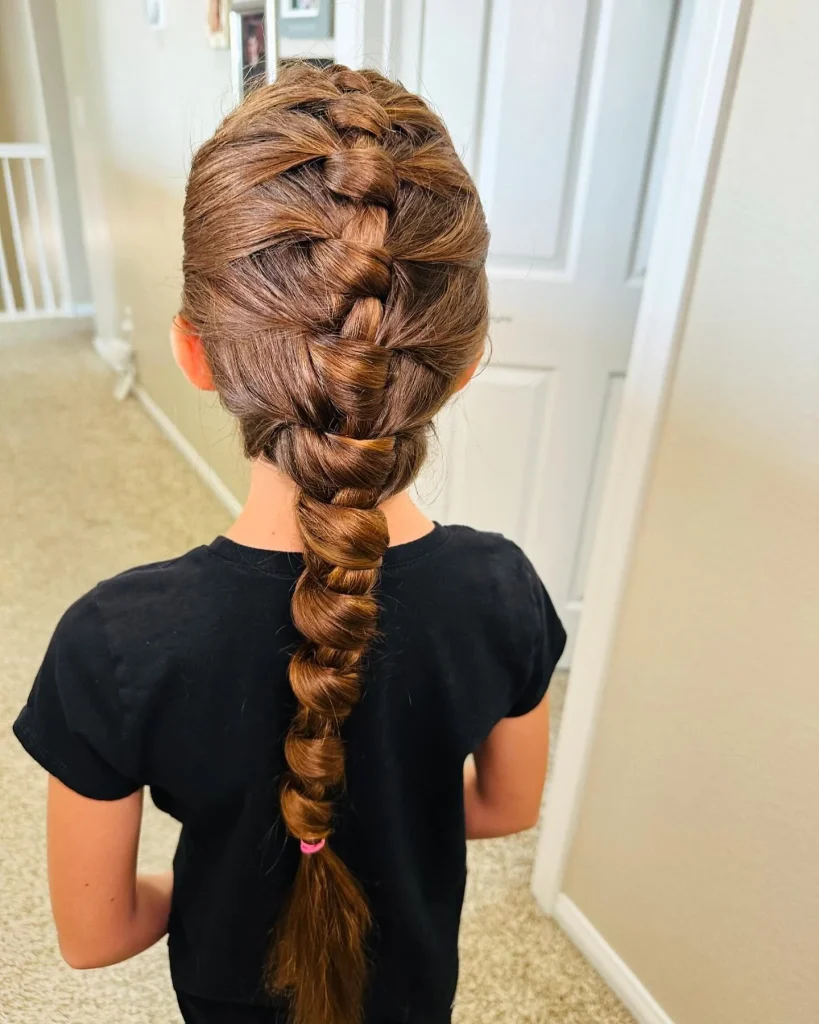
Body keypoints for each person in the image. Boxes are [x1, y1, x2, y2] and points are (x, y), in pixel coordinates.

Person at [13, 63, 566, 1024]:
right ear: (464, 364)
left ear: (194, 353)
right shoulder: (500, 590)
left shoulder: (115, 641)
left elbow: (93, 935)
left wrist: (229, 882)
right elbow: (507, 806)